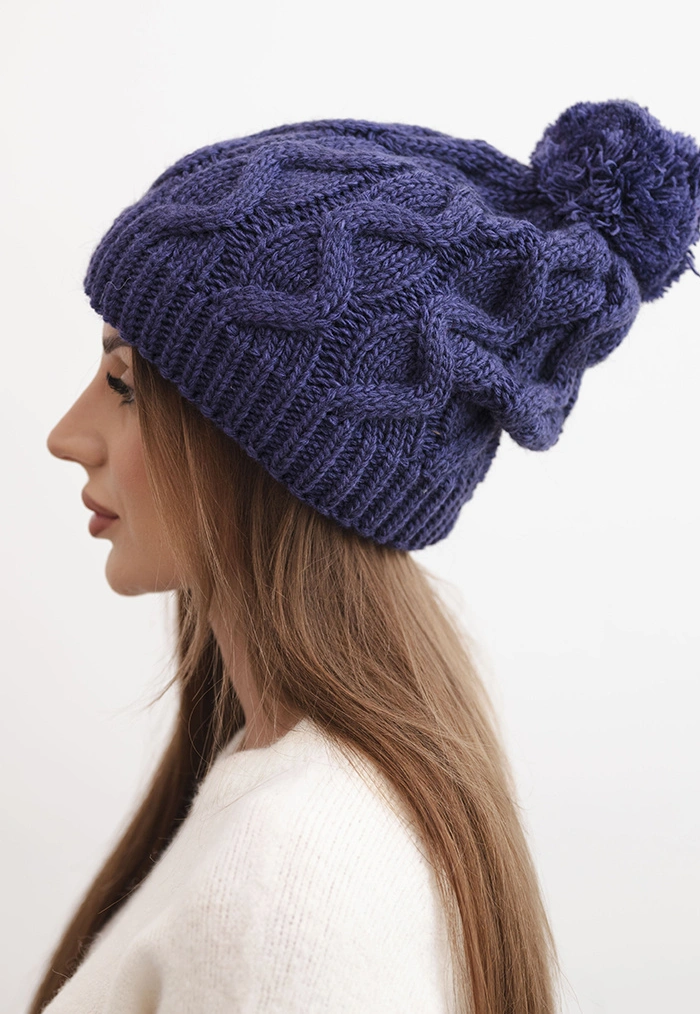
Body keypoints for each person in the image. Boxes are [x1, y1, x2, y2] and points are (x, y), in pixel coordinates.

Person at [33, 100, 699, 1014]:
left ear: (270, 452)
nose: (67, 437)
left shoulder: (286, 890)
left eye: (125, 387)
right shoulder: (290, 809)